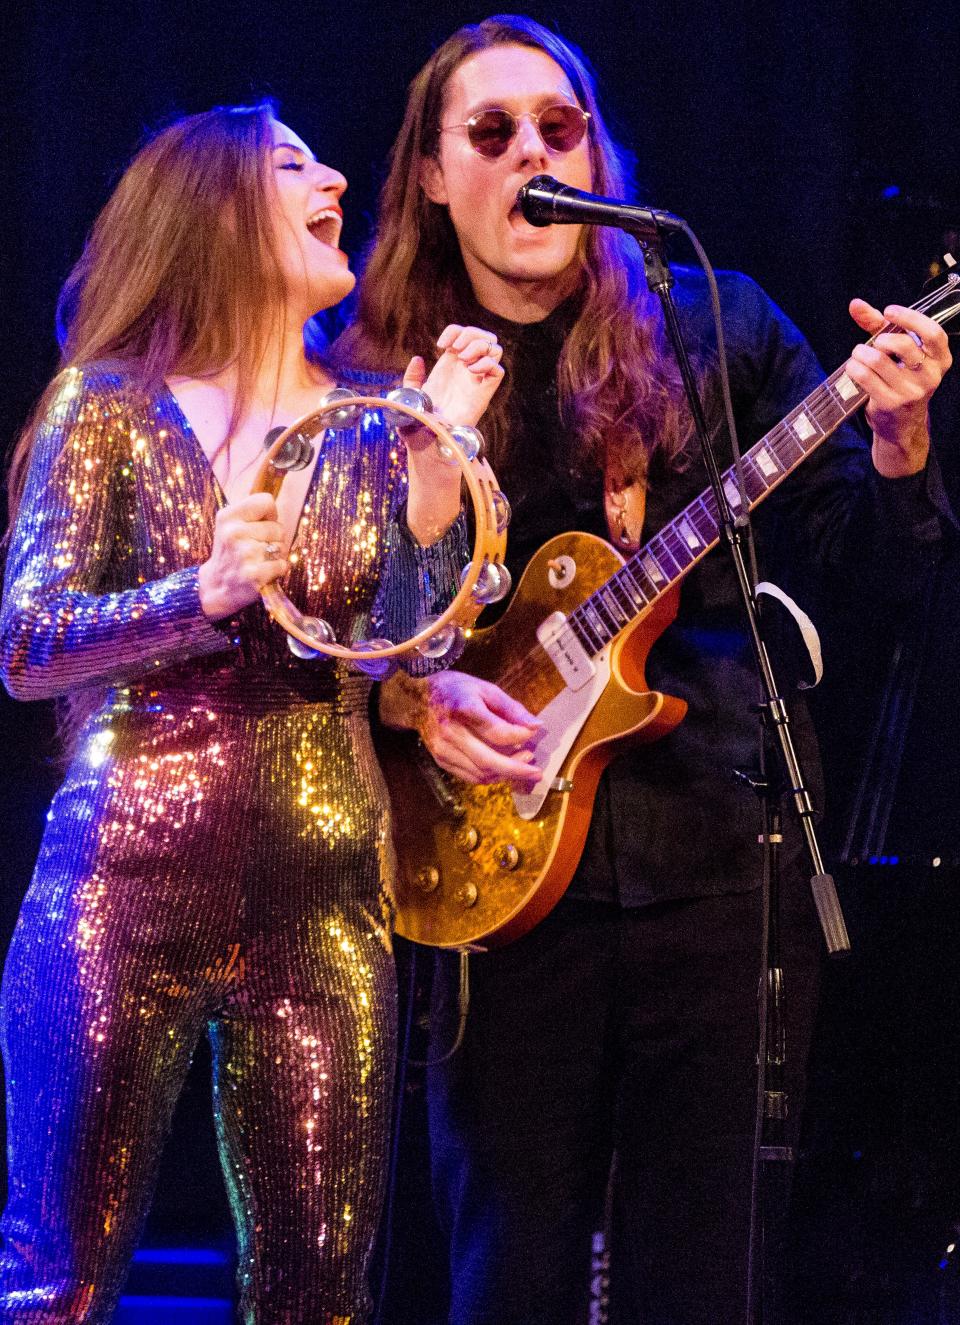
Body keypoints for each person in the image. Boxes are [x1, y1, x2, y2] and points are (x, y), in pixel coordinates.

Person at [335, 16, 955, 1325]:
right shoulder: (381, 369)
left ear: (599, 154)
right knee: (512, 1268)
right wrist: (409, 689)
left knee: (706, 1272)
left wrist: (898, 449)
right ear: (434, 175)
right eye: (491, 134)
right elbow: (319, 629)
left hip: (719, 860)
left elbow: (876, 574)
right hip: (491, 888)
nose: (531, 156)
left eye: (559, 129)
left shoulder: (714, 321)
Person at [0, 101, 504, 1324]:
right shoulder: (108, 403)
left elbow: (406, 647)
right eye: (293, 164)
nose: (337, 176)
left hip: (321, 899)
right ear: (213, 206)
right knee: (56, 1285)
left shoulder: (373, 419)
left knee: (318, 1294)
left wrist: (435, 476)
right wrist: (201, 592)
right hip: (118, 889)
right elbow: (26, 643)